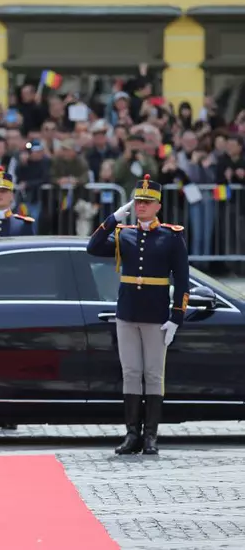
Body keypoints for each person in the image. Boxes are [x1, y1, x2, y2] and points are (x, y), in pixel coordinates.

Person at [86, 174, 189, 456]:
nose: (141, 206)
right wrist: (112, 219)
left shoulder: (171, 236)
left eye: (147, 202)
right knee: (131, 373)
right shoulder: (124, 233)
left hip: (157, 314)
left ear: (158, 206)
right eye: (138, 202)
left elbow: (182, 280)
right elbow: (93, 247)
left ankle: (151, 437)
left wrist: (176, 316)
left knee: (153, 375)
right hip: (128, 312)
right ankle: (132, 434)